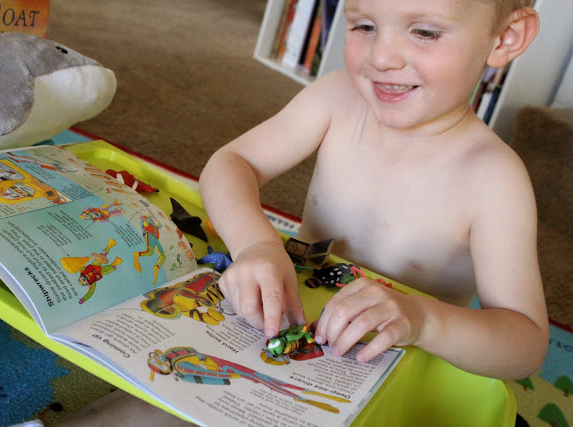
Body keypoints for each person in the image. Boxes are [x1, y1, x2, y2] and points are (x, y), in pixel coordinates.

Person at [199, 0, 549, 380]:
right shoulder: (336, 97)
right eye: (365, 26)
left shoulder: (495, 179)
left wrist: (423, 320)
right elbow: (231, 161)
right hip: (286, 323)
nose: (381, 58)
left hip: (392, 366)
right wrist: (255, 245)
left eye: (425, 32)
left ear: (506, 37)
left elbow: (525, 344)